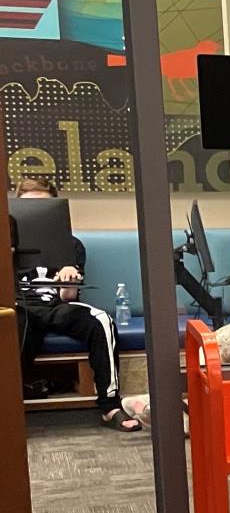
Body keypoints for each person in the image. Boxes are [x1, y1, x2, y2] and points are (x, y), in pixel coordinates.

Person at [10, 176, 140, 431]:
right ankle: (10, 408)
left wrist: (69, 277)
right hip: (21, 306)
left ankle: (110, 405)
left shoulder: (72, 245)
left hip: (58, 306)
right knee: (16, 324)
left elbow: (68, 297)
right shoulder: (8, 246)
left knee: (101, 320)